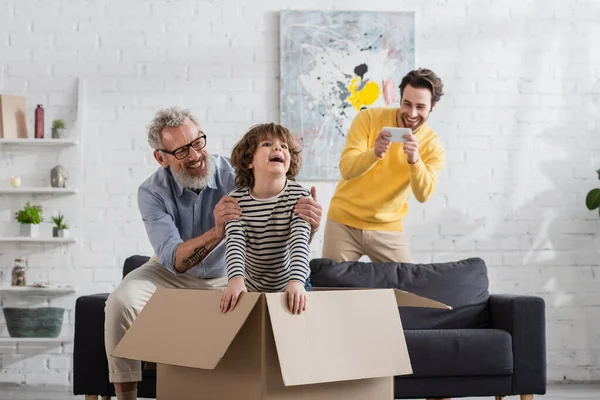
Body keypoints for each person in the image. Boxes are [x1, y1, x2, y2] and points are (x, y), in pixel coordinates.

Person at [104, 108, 322, 400]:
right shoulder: (151, 192)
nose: (195, 155)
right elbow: (175, 259)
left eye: (197, 142)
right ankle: (126, 393)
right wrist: (216, 232)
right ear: (161, 158)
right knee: (121, 301)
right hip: (168, 271)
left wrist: (309, 225)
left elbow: (276, 222)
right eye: (181, 150)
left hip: (228, 273)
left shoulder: (236, 175)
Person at [322, 68, 446, 264]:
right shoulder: (368, 119)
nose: (412, 113)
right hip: (344, 222)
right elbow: (347, 169)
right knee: (331, 288)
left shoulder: (432, 146)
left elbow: (423, 195)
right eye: (407, 104)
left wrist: (415, 160)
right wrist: (375, 153)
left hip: (387, 227)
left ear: (433, 106)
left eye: (420, 107)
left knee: (405, 288)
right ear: (400, 98)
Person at [220, 123, 311, 315]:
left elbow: (299, 242)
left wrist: (296, 281)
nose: (278, 148)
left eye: (284, 146)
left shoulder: (299, 197)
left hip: (293, 281)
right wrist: (236, 280)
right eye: (267, 144)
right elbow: (235, 243)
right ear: (248, 161)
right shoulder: (237, 200)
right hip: (253, 284)